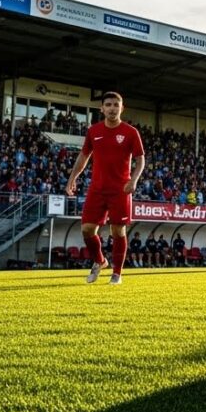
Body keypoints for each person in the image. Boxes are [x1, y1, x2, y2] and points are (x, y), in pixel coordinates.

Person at [66, 92, 145, 285]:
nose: (112, 108)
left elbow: (140, 159)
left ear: (122, 108)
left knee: (118, 231)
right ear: (102, 108)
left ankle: (117, 273)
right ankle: (100, 261)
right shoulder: (93, 131)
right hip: (97, 189)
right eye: (108, 105)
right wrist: (72, 178)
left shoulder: (130, 132)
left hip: (120, 189)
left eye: (116, 105)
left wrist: (134, 180)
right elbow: (83, 156)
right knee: (87, 229)